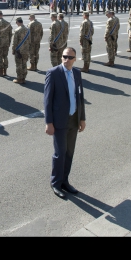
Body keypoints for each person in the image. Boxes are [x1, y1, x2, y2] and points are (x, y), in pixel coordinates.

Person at [44, 47, 87, 200]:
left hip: (74, 120)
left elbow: (80, 97)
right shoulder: (53, 73)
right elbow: (47, 100)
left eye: (70, 57)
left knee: (69, 153)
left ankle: (64, 181)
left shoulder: (77, 73)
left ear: (75, 59)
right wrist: (49, 122)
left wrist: (82, 118)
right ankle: (55, 182)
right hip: (59, 121)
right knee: (60, 153)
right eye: (64, 57)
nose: (67, 60)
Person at [0, 10, 12, 77]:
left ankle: (0, 71)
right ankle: (5, 71)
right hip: (6, 42)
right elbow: (10, 34)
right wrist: (9, 42)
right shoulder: (8, 23)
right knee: (5, 56)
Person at [12, 17, 30, 84]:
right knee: (24, 64)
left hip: (19, 51)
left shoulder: (17, 30)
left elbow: (15, 42)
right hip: (26, 50)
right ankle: (23, 78)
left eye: (16, 22)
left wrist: (13, 50)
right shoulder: (28, 30)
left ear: (18, 22)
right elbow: (30, 40)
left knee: (19, 64)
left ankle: (19, 79)